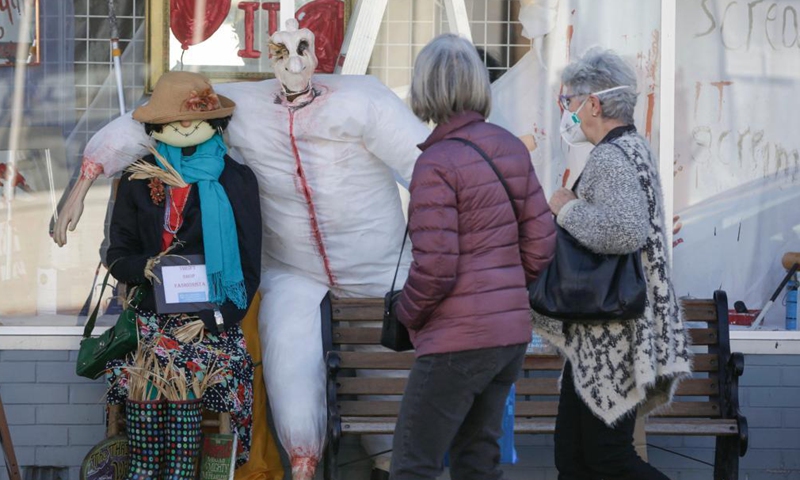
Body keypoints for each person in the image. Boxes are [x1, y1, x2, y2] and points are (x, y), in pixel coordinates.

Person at [55, 20, 429, 480]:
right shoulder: (245, 108)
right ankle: (304, 463)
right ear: (269, 56)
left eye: (303, 48)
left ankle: (393, 459)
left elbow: (425, 164)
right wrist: (85, 177)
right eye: (281, 51)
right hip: (293, 268)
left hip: (380, 264)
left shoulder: (362, 98)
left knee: (392, 369)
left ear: (318, 51)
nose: (294, 63)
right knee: (286, 357)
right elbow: (144, 123)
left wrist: (450, 246)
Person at [391, 34, 556, 480]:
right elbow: (542, 242)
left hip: (456, 340)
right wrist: (497, 285)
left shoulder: (435, 164)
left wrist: (407, 312)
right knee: (477, 461)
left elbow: (436, 267)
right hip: (508, 335)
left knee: (412, 462)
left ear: (426, 87)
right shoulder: (510, 148)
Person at [533, 47, 693, 480]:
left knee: (604, 458)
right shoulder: (633, 149)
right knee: (577, 457)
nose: (567, 112)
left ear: (595, 104)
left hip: (611, 336)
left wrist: (565, 208)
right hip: (608, 330)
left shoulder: (610, 156)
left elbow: (626, 231)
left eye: (569, 102)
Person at [104, 72, 261, 466]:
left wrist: (214, 319)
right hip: (150, 316)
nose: (186, 124)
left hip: (209, 317)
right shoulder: (140, 177)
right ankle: (146, 466)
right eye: (175, 118)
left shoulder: (235, 179)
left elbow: (248, 264)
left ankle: (187, 468)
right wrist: (146, 266)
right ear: (157, 125)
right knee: (142, 367)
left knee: (206, 364)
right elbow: (117, 253)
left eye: (193, 115)